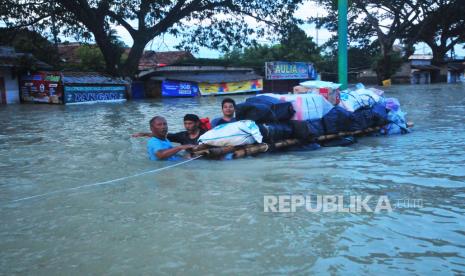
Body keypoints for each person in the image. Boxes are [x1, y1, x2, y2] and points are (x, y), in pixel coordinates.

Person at [133, 114, 205, 145]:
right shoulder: (182, 135)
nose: (187, 126)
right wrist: (144, 134)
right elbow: (162, 136)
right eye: (185, 123)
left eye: (190, 123)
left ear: (197, 123)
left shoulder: (206, 135)